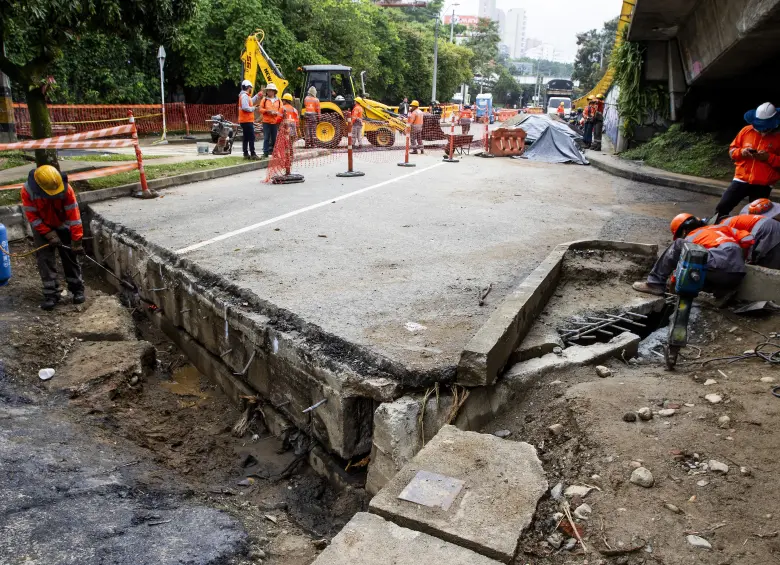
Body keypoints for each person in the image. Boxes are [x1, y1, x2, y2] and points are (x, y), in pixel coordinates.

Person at [633, 213, 754, 297]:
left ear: (684, 231)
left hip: (718, 267)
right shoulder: (722, 228)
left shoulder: (693, 236)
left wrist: (674, 285)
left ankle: (655, 283)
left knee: (679, 246)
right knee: (701, 267)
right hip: (738, 274)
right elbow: (748, 239)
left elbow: (683, 266)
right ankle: (721, 291)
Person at [21, 165, 85, 310]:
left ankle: (77, 289)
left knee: (70, 256)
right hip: (42, 226)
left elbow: (74, 217)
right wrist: (48, 233)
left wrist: (76, 241)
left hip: (64, 223)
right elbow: (32, 217)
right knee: (44, 258)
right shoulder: (28, 191)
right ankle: (51, 293)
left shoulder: (66, 189)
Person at [712, 102, 780, 221]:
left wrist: (768, 157)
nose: (762, 130)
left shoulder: (778, 137)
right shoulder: (746, 131)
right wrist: (742, 152)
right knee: (722, 206)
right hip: (741, 179)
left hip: (763, 184)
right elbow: (732, 151)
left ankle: (751, 237)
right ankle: (717, 230)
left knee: (756, 218)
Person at [258, 83, 283, 157]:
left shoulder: (278, 100)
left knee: (274, 138)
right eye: (268, 90)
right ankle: (265, 153)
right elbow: (260, 109)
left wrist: (277, 113)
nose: (269, 92)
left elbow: (281, 110)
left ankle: (274, 152)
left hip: (275, 122)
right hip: (266, 122)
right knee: (266, 138)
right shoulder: (264, 100)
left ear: (274, 91)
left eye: (271, 90)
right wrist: (266, 111)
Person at [238, 79, 260, 160]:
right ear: (248, 87)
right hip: (246, 120)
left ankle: (246, 154)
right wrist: (254, 108)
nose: (251, 89)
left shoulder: (245, 96)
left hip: (245, 120)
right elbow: (245, 107)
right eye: (250, 87)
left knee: (246, 137)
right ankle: (253, 154)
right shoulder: (244, 96)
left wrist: (257, 96)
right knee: (251, 137)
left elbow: (250, 101)